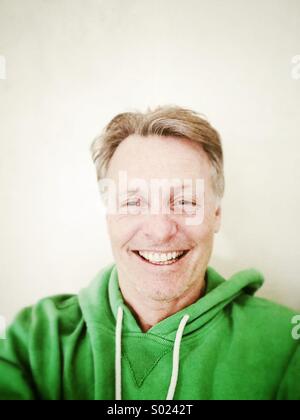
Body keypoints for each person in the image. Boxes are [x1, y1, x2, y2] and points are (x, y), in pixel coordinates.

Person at [0, 106, 299, 400]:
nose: (160, 230)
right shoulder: (31, 341)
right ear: (109, 218)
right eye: (133, 203)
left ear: (216, 214)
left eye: (184, 201)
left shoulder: (287, 345)